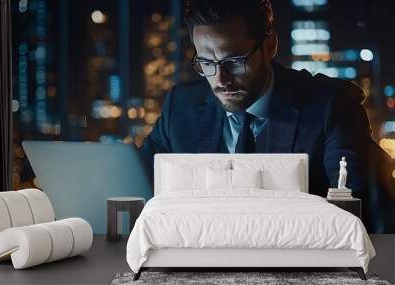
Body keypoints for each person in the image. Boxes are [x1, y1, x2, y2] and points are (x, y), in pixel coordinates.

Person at [138, 0, 394, 232]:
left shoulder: (331, 106)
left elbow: (352, 207)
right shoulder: (182, 107)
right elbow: (135, 181)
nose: (220, 79)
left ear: (269, 47)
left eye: (235, 61)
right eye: (206, 63)